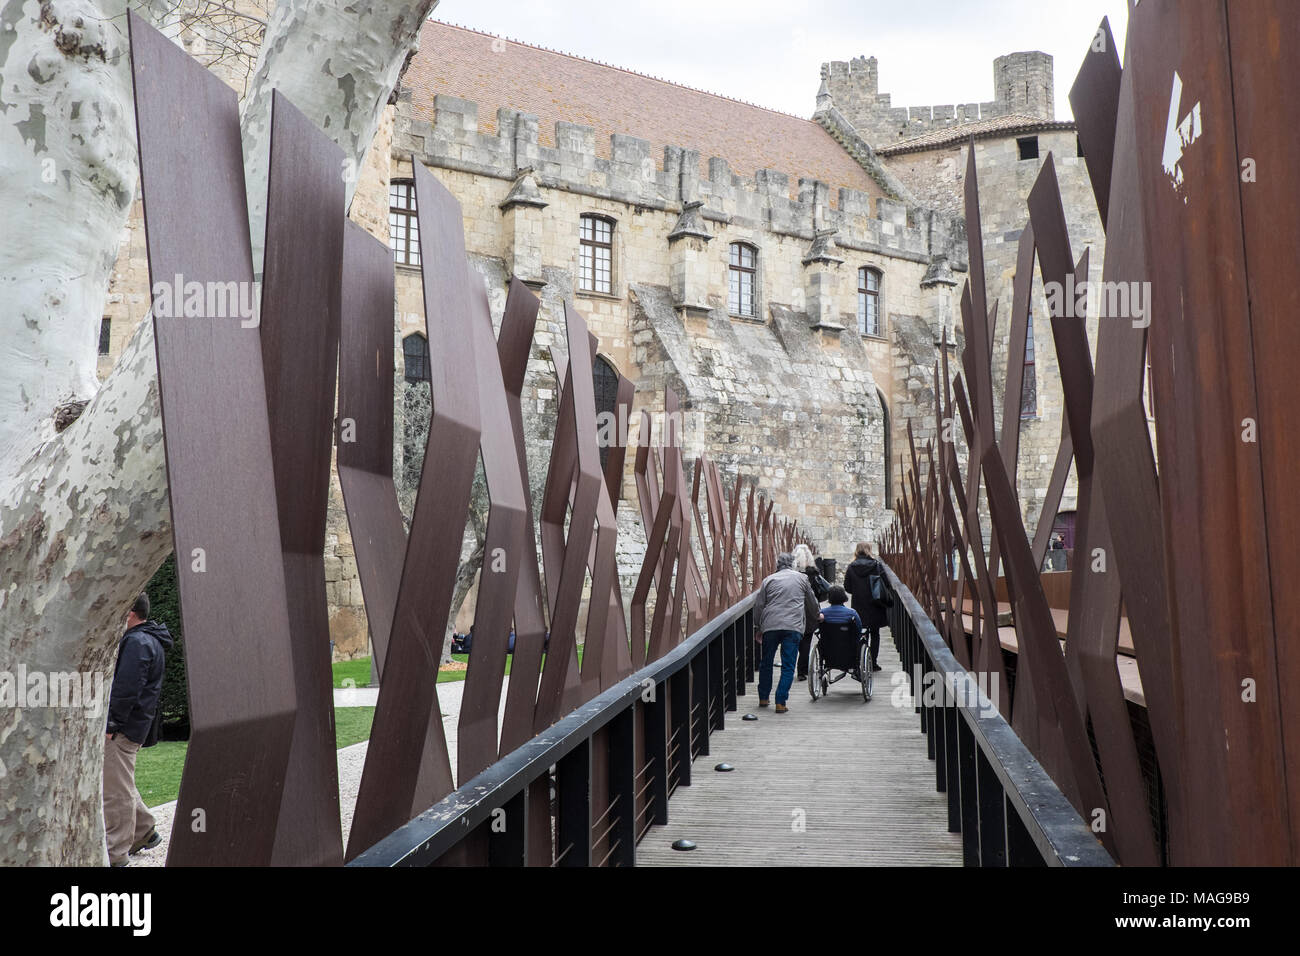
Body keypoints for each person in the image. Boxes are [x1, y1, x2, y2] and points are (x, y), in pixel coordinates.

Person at [104, 592, 173, 867]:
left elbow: (126, 689)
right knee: (120, 782)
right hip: (132, 726)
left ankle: (115, 854)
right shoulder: (147, 639)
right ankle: (144, 830)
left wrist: (110, 725)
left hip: (123, 729)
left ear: (130, 613)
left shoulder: (137, 642)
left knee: (114, 791)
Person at [753, 552, 820, 713]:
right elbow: (811, 603)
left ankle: (763, 697)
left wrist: (758, 627)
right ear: (793, 564)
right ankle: (780, 702)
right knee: (788, 665)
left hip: (771, 625)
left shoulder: (768, 580)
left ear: (778, 564)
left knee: (766, 662)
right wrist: (817, 616)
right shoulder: (801, 579)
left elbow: (759, 606)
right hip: (793, 626)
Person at [843, 542, 890, 672]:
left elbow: (847, 587)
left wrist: (858, 590)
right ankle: (873, 663)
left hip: (859, 605)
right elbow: (886, 583)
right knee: (875, 634)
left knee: (860, 633)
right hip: (875, 604)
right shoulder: (876, 565)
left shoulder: (852, 567)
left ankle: (859, 661)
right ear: (869, 550)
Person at [791, 542, 829, 681]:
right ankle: (802, 671)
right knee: (806, 642)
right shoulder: (813, 573)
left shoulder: (791, 575)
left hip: (793, 610)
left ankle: (790, 668)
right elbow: (818, 595)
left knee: (793, 641)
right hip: (809, 610)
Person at [818, 585, 864, 676]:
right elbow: (859, 629)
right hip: (849, 649)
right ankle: (855, 667)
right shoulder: (852, 613)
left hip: (828, 650)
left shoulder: (823, 613)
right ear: (844, 597)